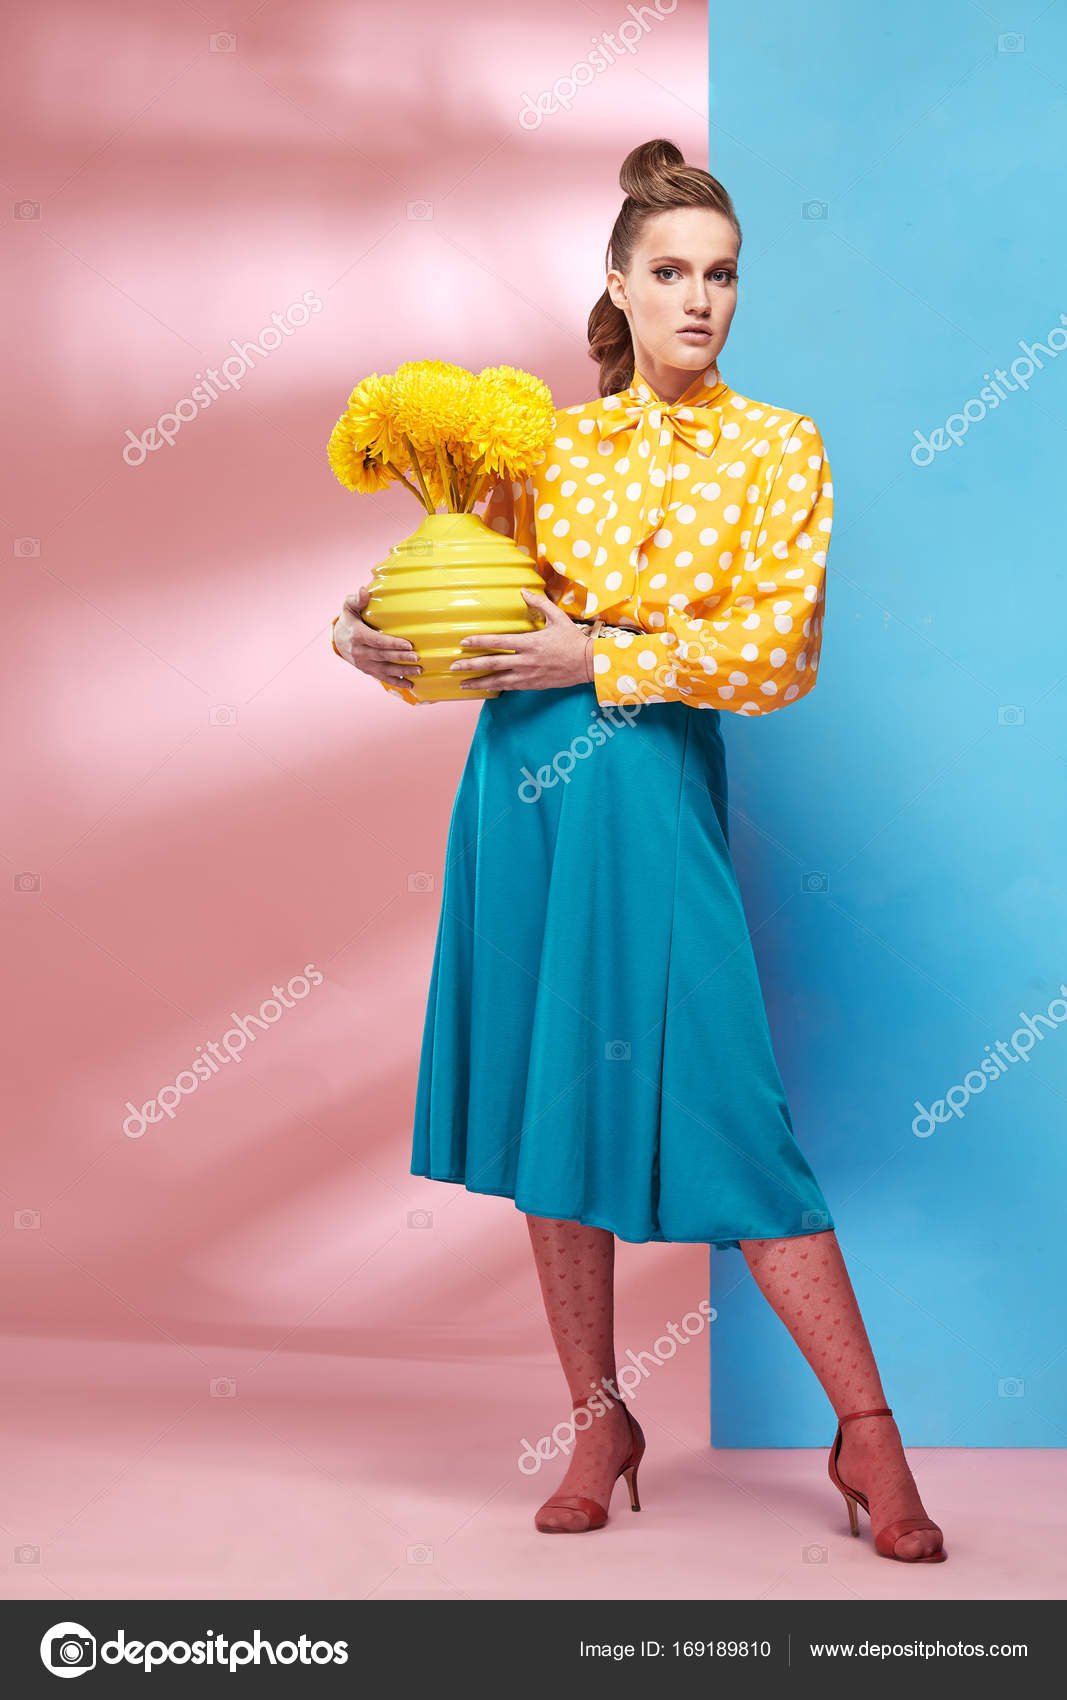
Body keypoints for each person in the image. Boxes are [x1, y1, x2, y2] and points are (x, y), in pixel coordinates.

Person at [331, 138, 947, 1562]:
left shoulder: (780, 446)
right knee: (556, 1114)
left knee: (736, 1116)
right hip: (523, 799)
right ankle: (596, 1421)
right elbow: (466, 629)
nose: (700, 300)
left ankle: (868, 1436)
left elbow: (775, 653)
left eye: (722, 276)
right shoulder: (541, 448)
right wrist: (374, 642)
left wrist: (594, 649)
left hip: (651, 798)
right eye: (671, 272)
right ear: (616, 281)